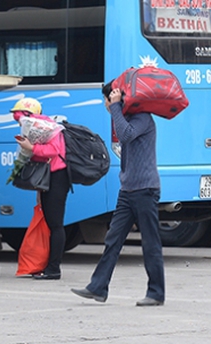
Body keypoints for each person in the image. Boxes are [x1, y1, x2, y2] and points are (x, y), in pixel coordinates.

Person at [71, 82, 165, 306]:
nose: (106, 104)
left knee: (150, 242)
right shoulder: (127, 117)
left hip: (145, 189)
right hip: (128, 190)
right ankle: (98, 287)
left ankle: (156, 293)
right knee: (113, 240)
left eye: (108, 99)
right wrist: (117, 109)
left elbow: (125, 135)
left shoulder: (142, 118)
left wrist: (115, 107)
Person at [12, 98, 70, 280]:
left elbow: (54, 151)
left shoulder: (49, 127)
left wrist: (31, 148)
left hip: (58, 177)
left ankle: (54, 269)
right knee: (51, 221)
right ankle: (47, 265)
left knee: (56, 224)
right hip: (49, 178)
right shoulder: (40, 126)